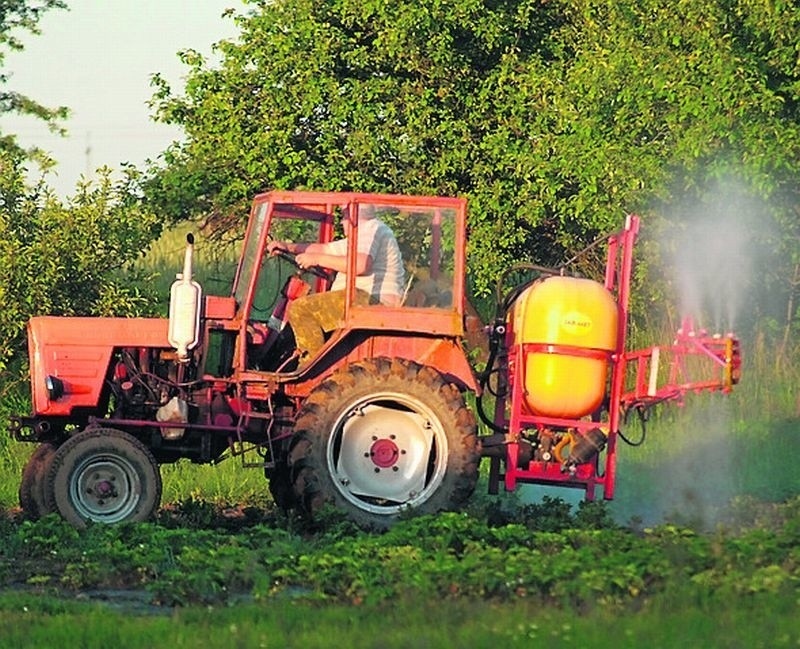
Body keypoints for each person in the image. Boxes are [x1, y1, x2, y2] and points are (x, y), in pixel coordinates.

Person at [266, 204, 405, 362]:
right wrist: (287, 247)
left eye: (344, 217)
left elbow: (361, 265)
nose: (341, 222)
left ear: (355, 215)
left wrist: (316, 260)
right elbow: (324, 249)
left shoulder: (371, 228)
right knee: (309, 309)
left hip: (368, 299)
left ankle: (311, 369)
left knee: (300, 309)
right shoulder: (361, 235)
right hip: (364, 297)